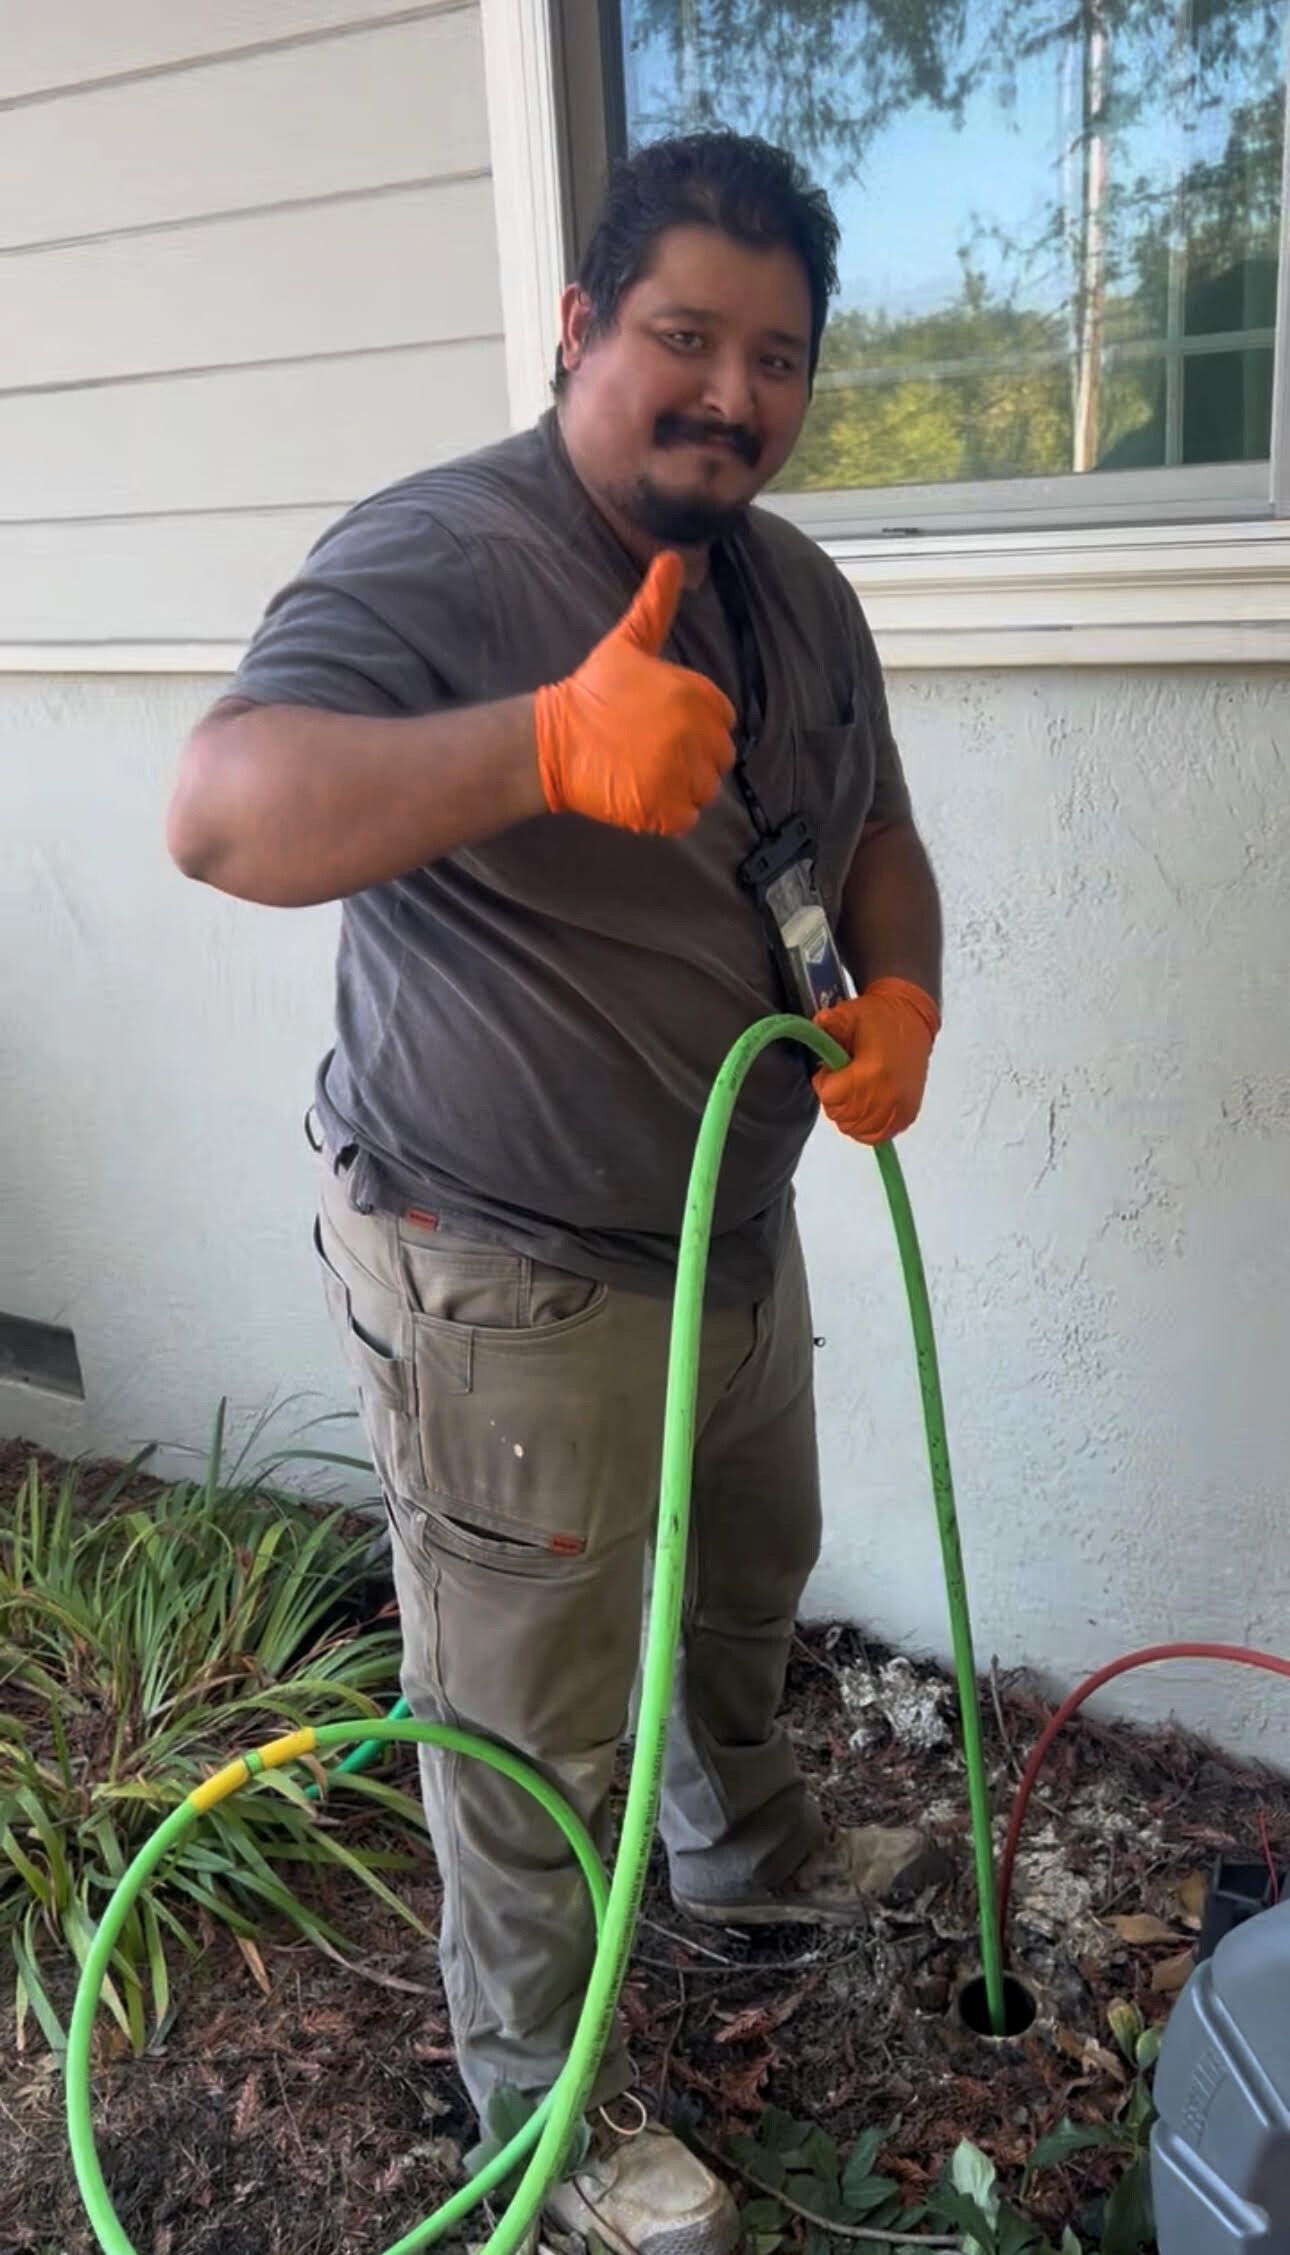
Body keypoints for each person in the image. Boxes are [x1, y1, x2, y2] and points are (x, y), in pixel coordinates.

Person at [167, 129, 943, 2255]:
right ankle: (543, 2117)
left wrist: (910, 1001)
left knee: (748, 1575)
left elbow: (873, 832)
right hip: (500, 1269)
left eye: (776, 358)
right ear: (581, 326)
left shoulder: (796, 586)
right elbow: (222, 810)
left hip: (724, 1226)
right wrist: (543, 744)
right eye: (684, 337)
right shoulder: (443, 559)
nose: (732, 394)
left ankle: (752, 1859)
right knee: (530, 1725)